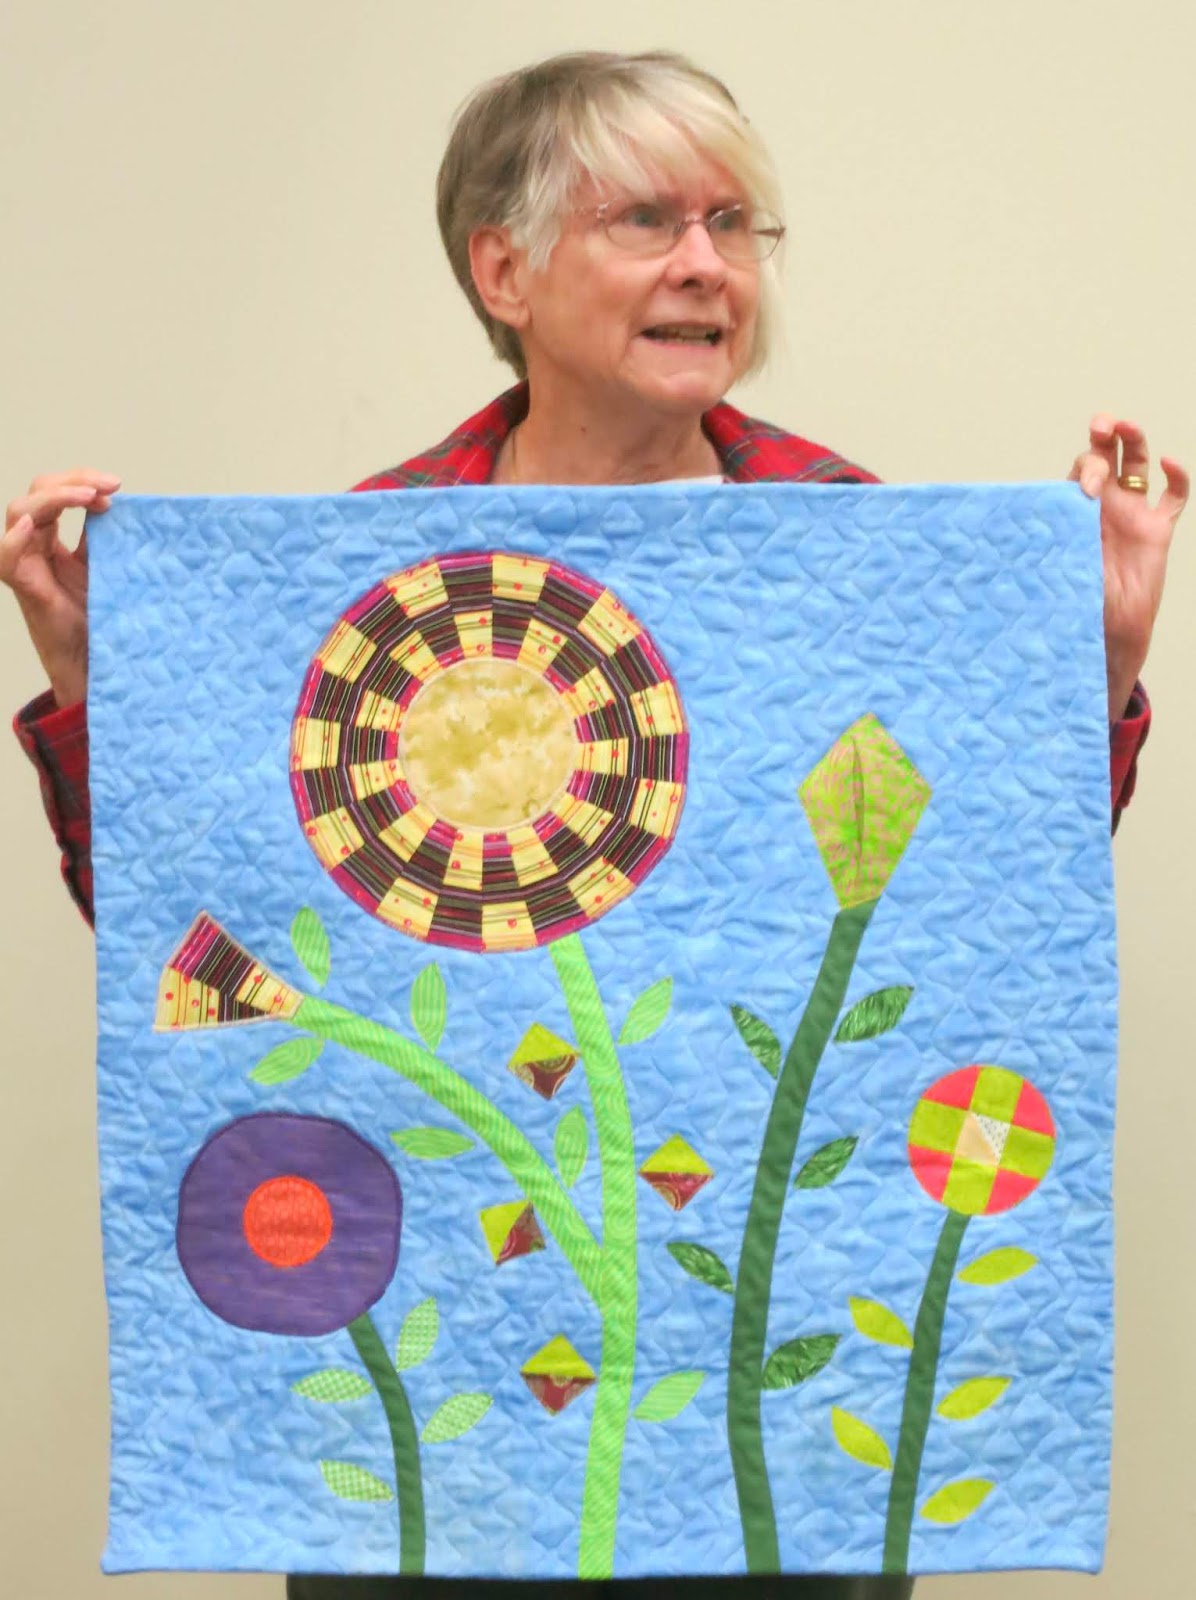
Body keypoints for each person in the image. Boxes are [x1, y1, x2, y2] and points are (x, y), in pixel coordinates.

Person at [1, 48, 1187, 1600]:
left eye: (733, 223)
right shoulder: (359, 576)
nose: (707, 264)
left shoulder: (858, 553)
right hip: (463, 1392)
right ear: (503, 269)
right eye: (647, 220)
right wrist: (101, 680)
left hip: (776, 1427)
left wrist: (1092, 661)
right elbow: (208, 938)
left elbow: (972, 899)